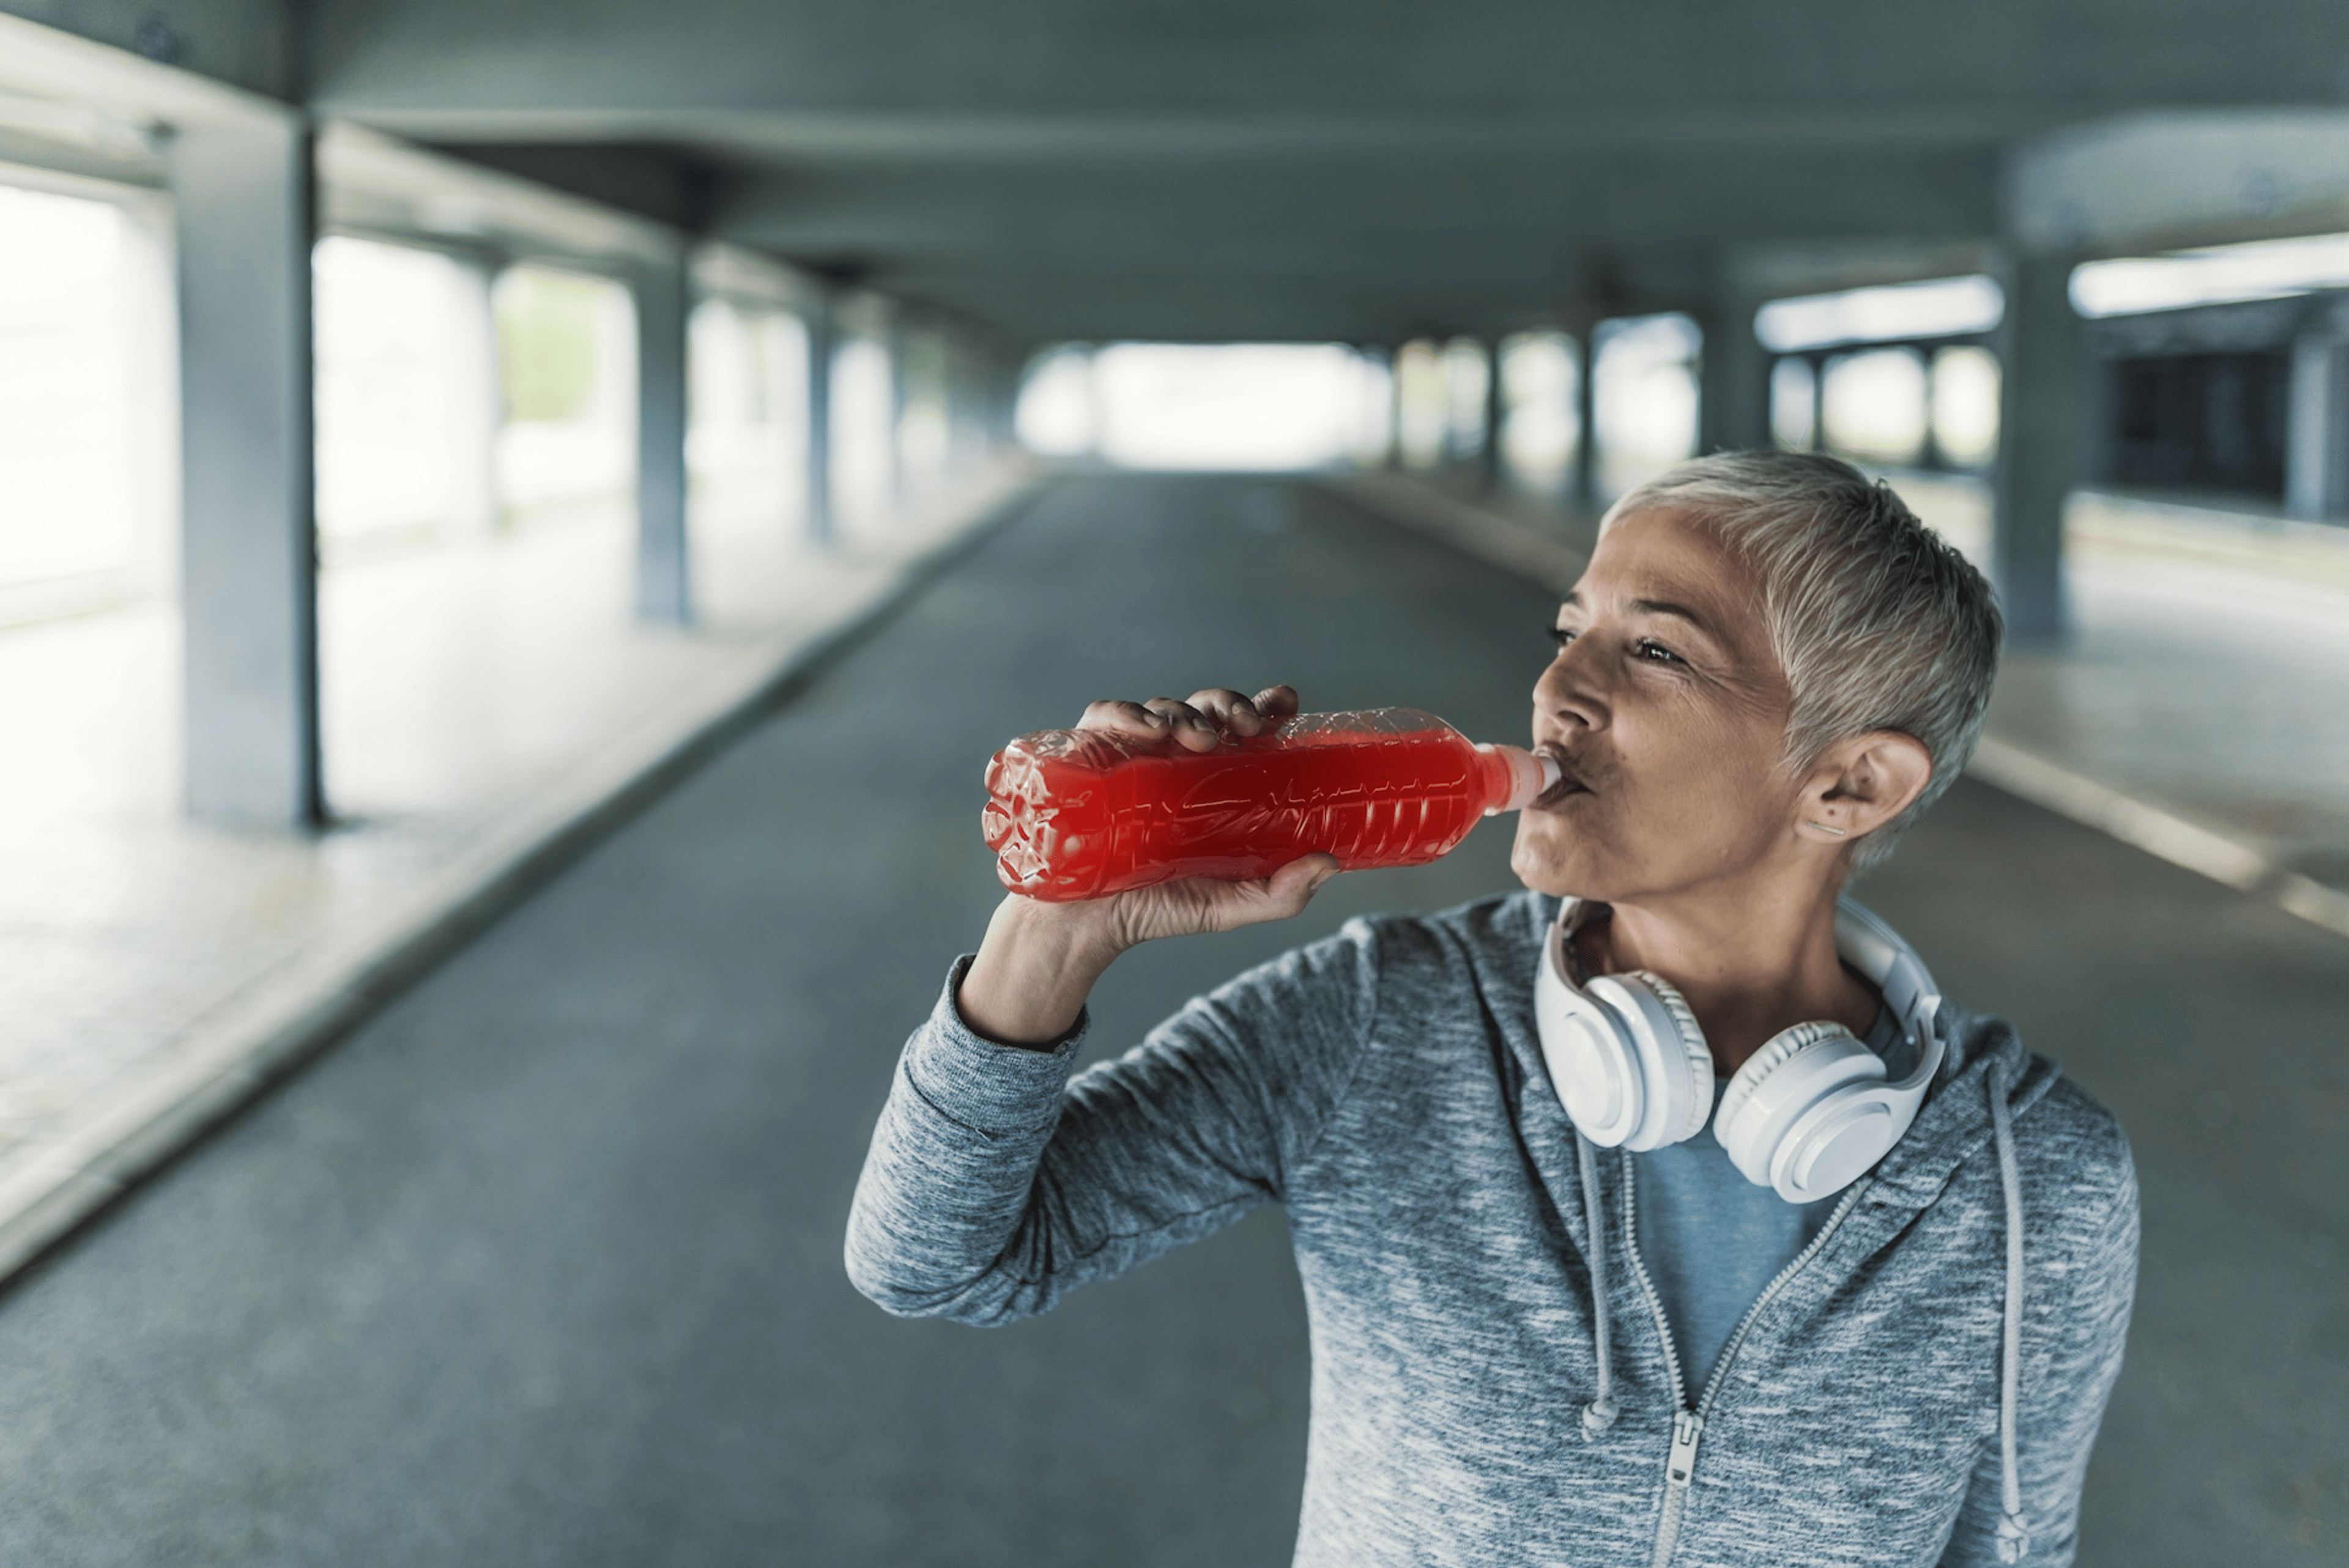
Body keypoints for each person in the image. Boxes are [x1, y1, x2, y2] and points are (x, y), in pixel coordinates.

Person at [845, 451, 2138, 1567]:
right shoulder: (1376, 1021)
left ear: (1851, 784)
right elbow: (938, 1261)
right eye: (1566, 629)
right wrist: (1060, 925)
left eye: (1653, 649)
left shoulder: (2037, 1180)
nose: (1558, 689)